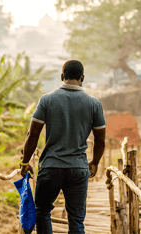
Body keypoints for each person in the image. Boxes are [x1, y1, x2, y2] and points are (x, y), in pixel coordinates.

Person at [20, 60, 106, 234]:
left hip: (51, 167)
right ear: (82, 78)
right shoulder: (94, 103)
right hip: (78, 168)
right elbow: (100, 139)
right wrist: (95, 162)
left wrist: (24, 162)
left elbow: (33, 135)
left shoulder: (47, 100)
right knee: (76, 219)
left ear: (62, 77)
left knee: (42, 212)